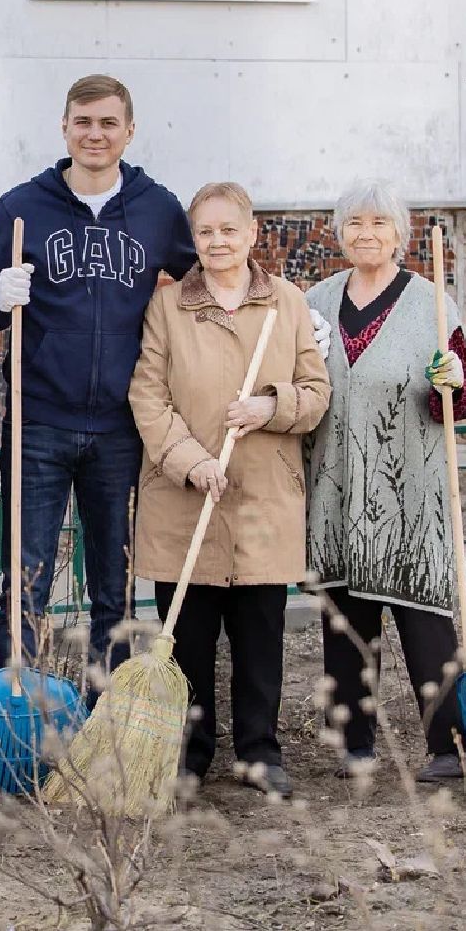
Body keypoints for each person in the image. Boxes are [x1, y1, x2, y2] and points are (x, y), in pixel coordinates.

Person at [0, 73, 205, 685]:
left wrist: (280, 311)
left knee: (116, 581)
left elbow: (204, 285)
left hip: (122, 426)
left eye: (108, 123)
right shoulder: (23, 206)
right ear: (64, 127)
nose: (95, 134)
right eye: (83, 121)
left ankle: (106, 714)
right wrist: (1, 294)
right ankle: (20, 710)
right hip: (38, 420)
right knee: (27, 577)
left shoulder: (158, 209)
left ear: (129, 131)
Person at [127, 182, 330, 798]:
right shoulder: (168, 307)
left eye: (228, 231)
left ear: (251, 233)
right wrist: (190, 461)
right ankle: (189, 755)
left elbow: (316, 393)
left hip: (265, 495)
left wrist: (270, 407)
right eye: (205, 232)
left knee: (259, 638)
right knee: (186, 638)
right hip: (186, 498)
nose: (217, 243)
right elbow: (148, 395)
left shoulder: (287, 305)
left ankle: (259, 752)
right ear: (194, 239)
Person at [304, 179, 466, 783]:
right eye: (354, 222)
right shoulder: (316, 302)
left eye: (379, 223)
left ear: (401, 235)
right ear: (339, 232)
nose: (366, 233)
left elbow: (465, 400)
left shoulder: (431, 304)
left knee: (422, 612)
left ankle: (448, 746)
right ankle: (354, 746)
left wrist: (454, 381)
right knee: (346, 620)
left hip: (409, 490)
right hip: (336, 488)